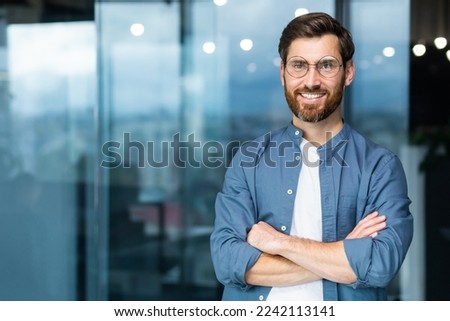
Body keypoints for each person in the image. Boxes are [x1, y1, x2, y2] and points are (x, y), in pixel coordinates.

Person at [210, 12, 413, 301]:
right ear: (283, 73)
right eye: (299, 66)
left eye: (327, 65)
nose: (311, 80)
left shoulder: (380, 167)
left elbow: (379, 265)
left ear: (349, 72)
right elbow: (228, 262)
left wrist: (278, 243)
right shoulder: (248, 161)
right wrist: (343, 253)